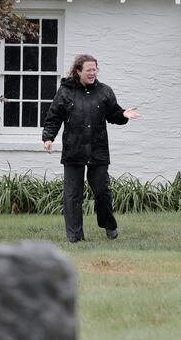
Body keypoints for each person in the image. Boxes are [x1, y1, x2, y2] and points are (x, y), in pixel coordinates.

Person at [42, 54, 141, 243]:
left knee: (102, 191)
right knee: (72, 195)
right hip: (74, 149)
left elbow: (114, 115)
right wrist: (48, 137)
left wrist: (124, 114)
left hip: (98, 149)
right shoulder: (65, 92)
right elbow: (54, 117)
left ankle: (108, 224)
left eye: (94, 69)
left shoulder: (104, 91)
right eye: (88, 70)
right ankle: (75, 236)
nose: (92, 73)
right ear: (78, 71)